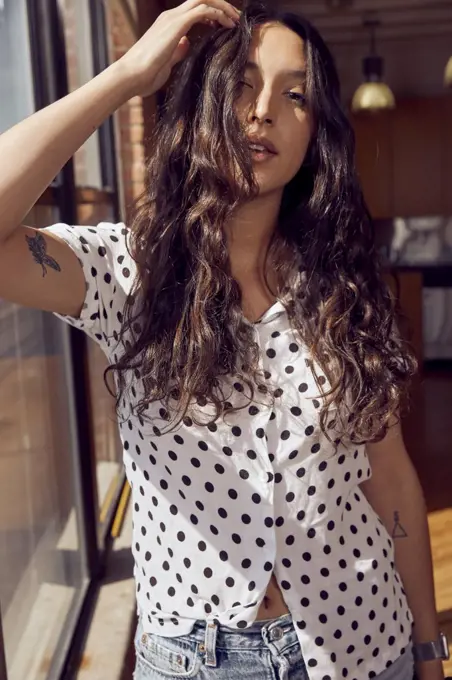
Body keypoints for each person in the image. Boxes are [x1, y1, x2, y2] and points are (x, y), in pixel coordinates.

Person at [0, 1, 447, 678]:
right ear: (202, 107)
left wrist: (426, 647)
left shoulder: (346, 290)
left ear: (314, 133)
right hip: (195, 662)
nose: (262, 110)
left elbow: (388, 476)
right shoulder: (126, 273)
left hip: (361, 640)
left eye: (293, 95)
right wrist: (124, 76)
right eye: (240, 84)